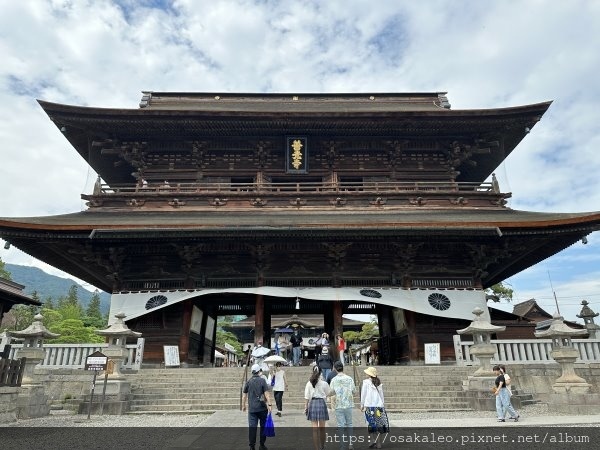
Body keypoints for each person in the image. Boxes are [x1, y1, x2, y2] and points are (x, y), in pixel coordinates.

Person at [242, 363, 273, 450]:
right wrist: (270, 404)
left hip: (252, 409)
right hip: (262, 408)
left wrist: (244, 405)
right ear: (259, 371)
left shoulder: (248, 382)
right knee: (263, 427)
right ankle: (262, 445)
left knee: (252, 428)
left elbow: (244, 395)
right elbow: (267, 393)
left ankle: (252, 446)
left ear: (252, 372)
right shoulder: (262, 381)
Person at [329, 361, 356, 450]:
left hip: (338, 404)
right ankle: (351, 444)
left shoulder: (333, 380)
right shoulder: (349, 379)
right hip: (348, 404)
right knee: (350, 424)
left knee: (341, 425)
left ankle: (342, 446)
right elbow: (354, 391)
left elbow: (331, 392)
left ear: (335, 369)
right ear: (342, 368)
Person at [360, 366, 389, 449]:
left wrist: (362, 405)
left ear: (368, 374)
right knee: (379, 424)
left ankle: (372, 441)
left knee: (370, 424)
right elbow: (381, 395)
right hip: (378, 406)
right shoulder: (378, 382)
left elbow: (363, 394)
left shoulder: (365, 382)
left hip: (369, 406)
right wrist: (382, 405)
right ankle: (379, 443)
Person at [305, 365, 331, 450]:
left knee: (314, 429)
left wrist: (306, 407)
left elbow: (307, 397)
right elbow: (328, 393)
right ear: (321, 372)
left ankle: (317, 448)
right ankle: (322, 446)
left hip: (313, 403)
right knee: (322, 428)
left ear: (313, 372)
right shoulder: (324, 383)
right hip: (321, 403)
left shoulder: (309, 383)